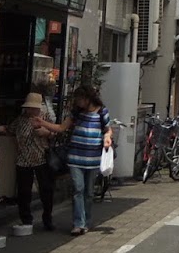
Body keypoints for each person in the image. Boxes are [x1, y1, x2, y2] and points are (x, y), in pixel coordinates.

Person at [36, 84, 111, 237]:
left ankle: (86, 221)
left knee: (89, 192)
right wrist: (43, 123)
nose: (78, 102)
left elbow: (108, 129)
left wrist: (107, 137)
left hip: (93, 159)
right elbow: (61, 128)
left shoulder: (102, 112)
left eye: (80, 99)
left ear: (88, 99)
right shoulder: (76, 113)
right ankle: (79, 224)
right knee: (78, 189)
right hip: (75, 157)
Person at [8, 92, 55, 231]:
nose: (32, 110)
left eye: (34, 108)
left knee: (46, 191)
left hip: (41, 158)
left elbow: (55, 133)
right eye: (29, 108)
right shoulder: (20, 120)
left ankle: (47, 218)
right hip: (23, 160)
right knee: (24, 192)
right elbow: (9, 129)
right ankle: (26, 219)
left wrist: (46, 133)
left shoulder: (45, 118)